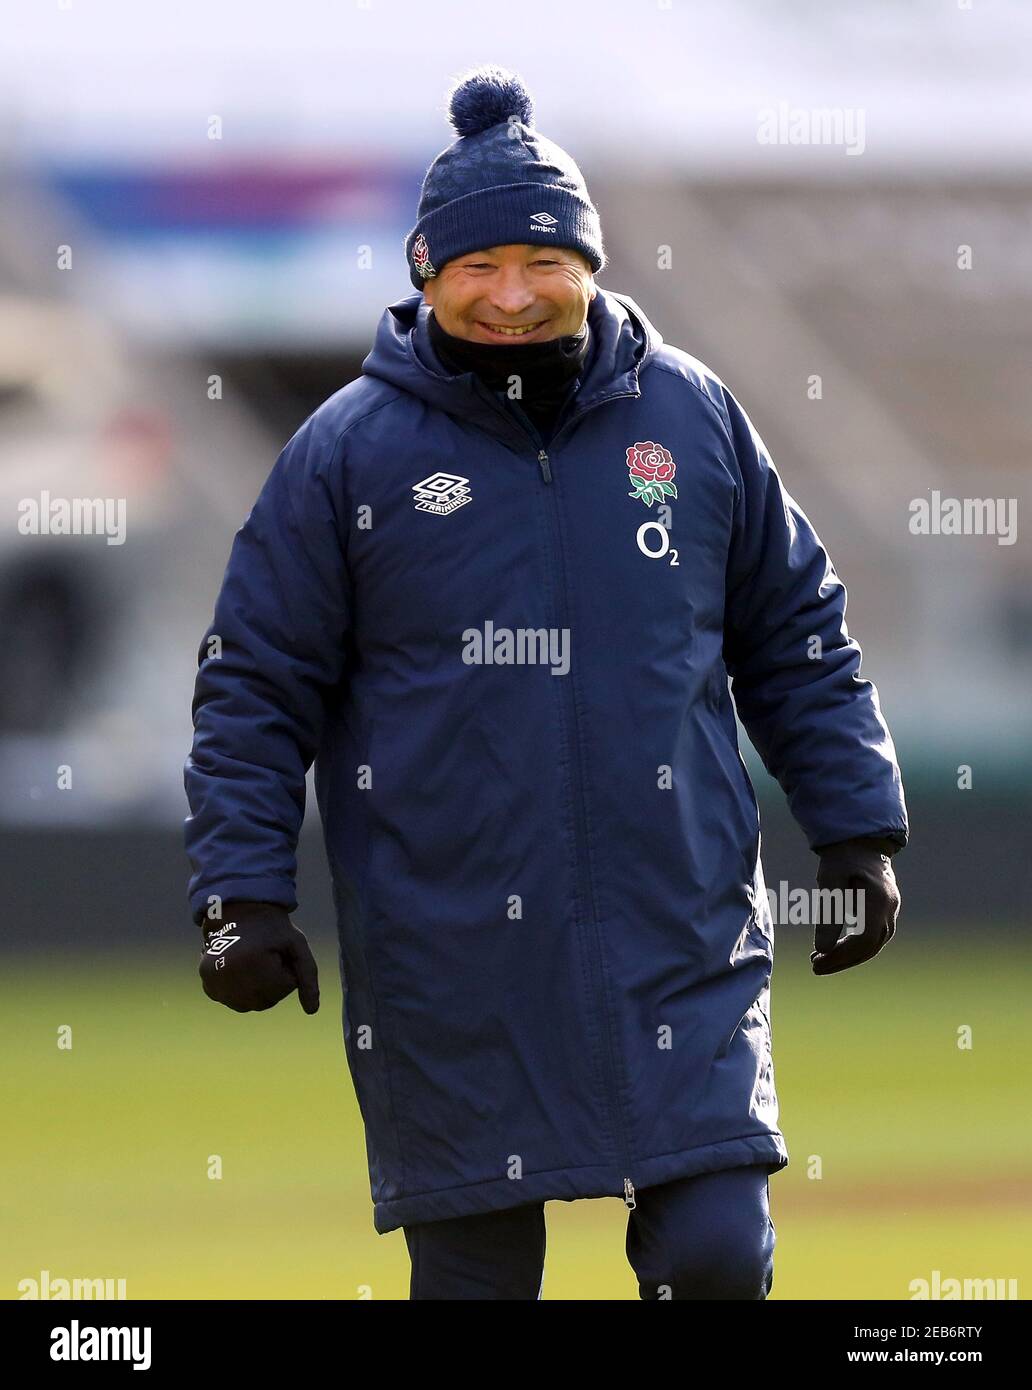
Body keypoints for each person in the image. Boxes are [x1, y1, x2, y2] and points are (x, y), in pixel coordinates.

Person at [184, 65, 907, 1300]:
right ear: (426, 274)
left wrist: (856, 829)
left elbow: (796, 633)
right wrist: (239, 896)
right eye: (477, 268)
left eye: (542, 261)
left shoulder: (694, 419)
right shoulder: (344, 453)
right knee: (477, 1289)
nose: (512, 295)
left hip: (678, 930)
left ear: (590, 264)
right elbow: (254, 685)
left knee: (720, 1262)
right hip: (450, 956)